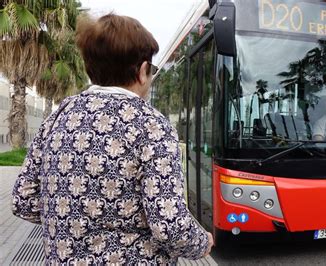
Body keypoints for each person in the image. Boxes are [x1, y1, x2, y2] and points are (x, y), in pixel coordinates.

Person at [11, 13, 213, 265]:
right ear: (142, 71)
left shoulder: (58, 116)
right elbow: (169, 225)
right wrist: (202, 242)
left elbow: (24, 200)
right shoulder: (151, 124)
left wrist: (74, 220)